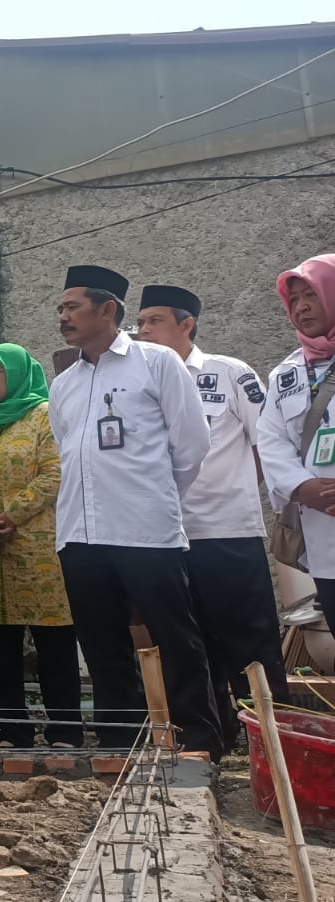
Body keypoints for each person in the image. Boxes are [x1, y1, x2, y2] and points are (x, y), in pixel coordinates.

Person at [50, 265, 223, 761]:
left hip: (146, 530)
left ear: (108, 310)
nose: (63, 317)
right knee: (102, 645)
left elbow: (192, 444)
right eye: (61, 309)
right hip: (81, 534)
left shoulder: (156, 363)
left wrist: (155, 497)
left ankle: (199, 740)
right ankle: (119, 742)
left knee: (176, 636)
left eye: (72, 307)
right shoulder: (63, 383)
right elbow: (70, 451)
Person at [136, 284, 288, 744]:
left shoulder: (227, 373)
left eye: (154, 321)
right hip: (165, 537)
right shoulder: (137, 380)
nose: (143, 331)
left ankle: (267, 738)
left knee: (250, 639)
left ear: (187, 325)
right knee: (187, 643)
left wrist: (235, 490)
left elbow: (269, 444)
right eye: (139, 323)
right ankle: (209, 738)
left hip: (227, 530)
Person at [0, 343, 81, 749]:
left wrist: (10, 515)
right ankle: (12, 730)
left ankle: (65, 730)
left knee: (54, 645)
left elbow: (55, 472)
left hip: (39, 549)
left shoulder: (45, 416)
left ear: (17, 374)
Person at [260, 255, 335, 639]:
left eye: (312, 295)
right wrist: (301, 487)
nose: (302, 306)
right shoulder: (286, 373)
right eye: (295, 300)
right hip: (323, 537)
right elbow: (270, 439)